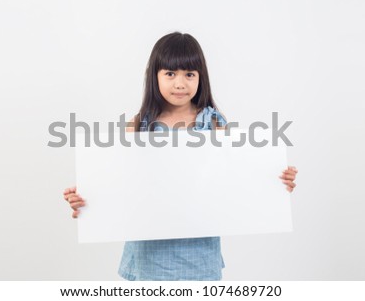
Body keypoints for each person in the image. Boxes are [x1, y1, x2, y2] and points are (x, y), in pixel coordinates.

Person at [63, 32, 298, 280]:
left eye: (189, 74)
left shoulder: (213, 123)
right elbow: (116, 182)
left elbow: (237, 179)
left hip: (200, 256)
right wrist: (87, 199)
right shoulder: (138, 126)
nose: (180, 83)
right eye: (170, 73)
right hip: (148, 257)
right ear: (154, 76)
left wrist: (276, 183)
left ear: (200, 78)